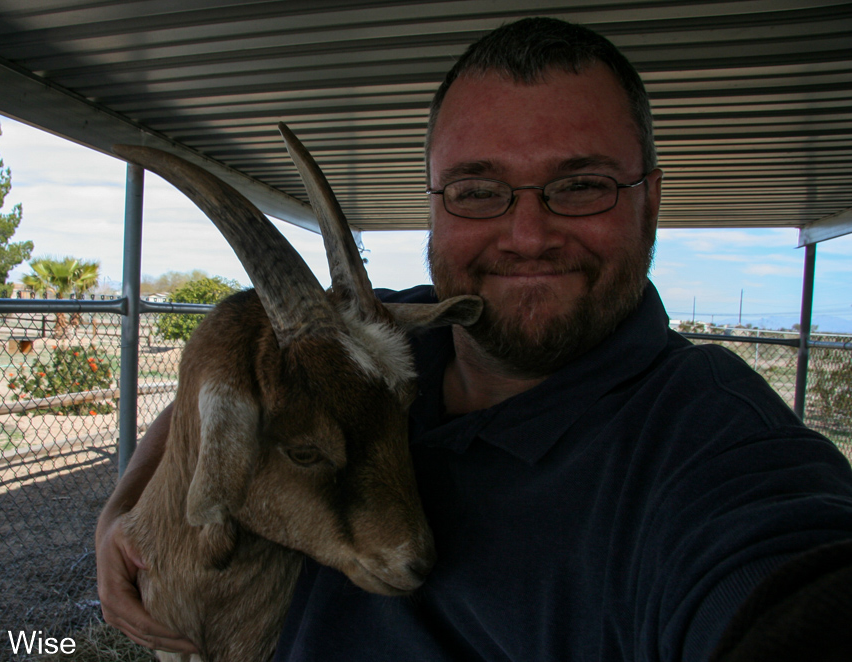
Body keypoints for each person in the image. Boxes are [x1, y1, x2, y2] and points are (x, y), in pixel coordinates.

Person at [96, 17, 852, 661]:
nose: (527, 234)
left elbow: (788, 572)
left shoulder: (713, 442)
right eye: (478, 191)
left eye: (582, 184)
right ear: (434, 200)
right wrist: (121, 513)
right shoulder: (378, 337)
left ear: (649, 200)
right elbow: (230, 390)